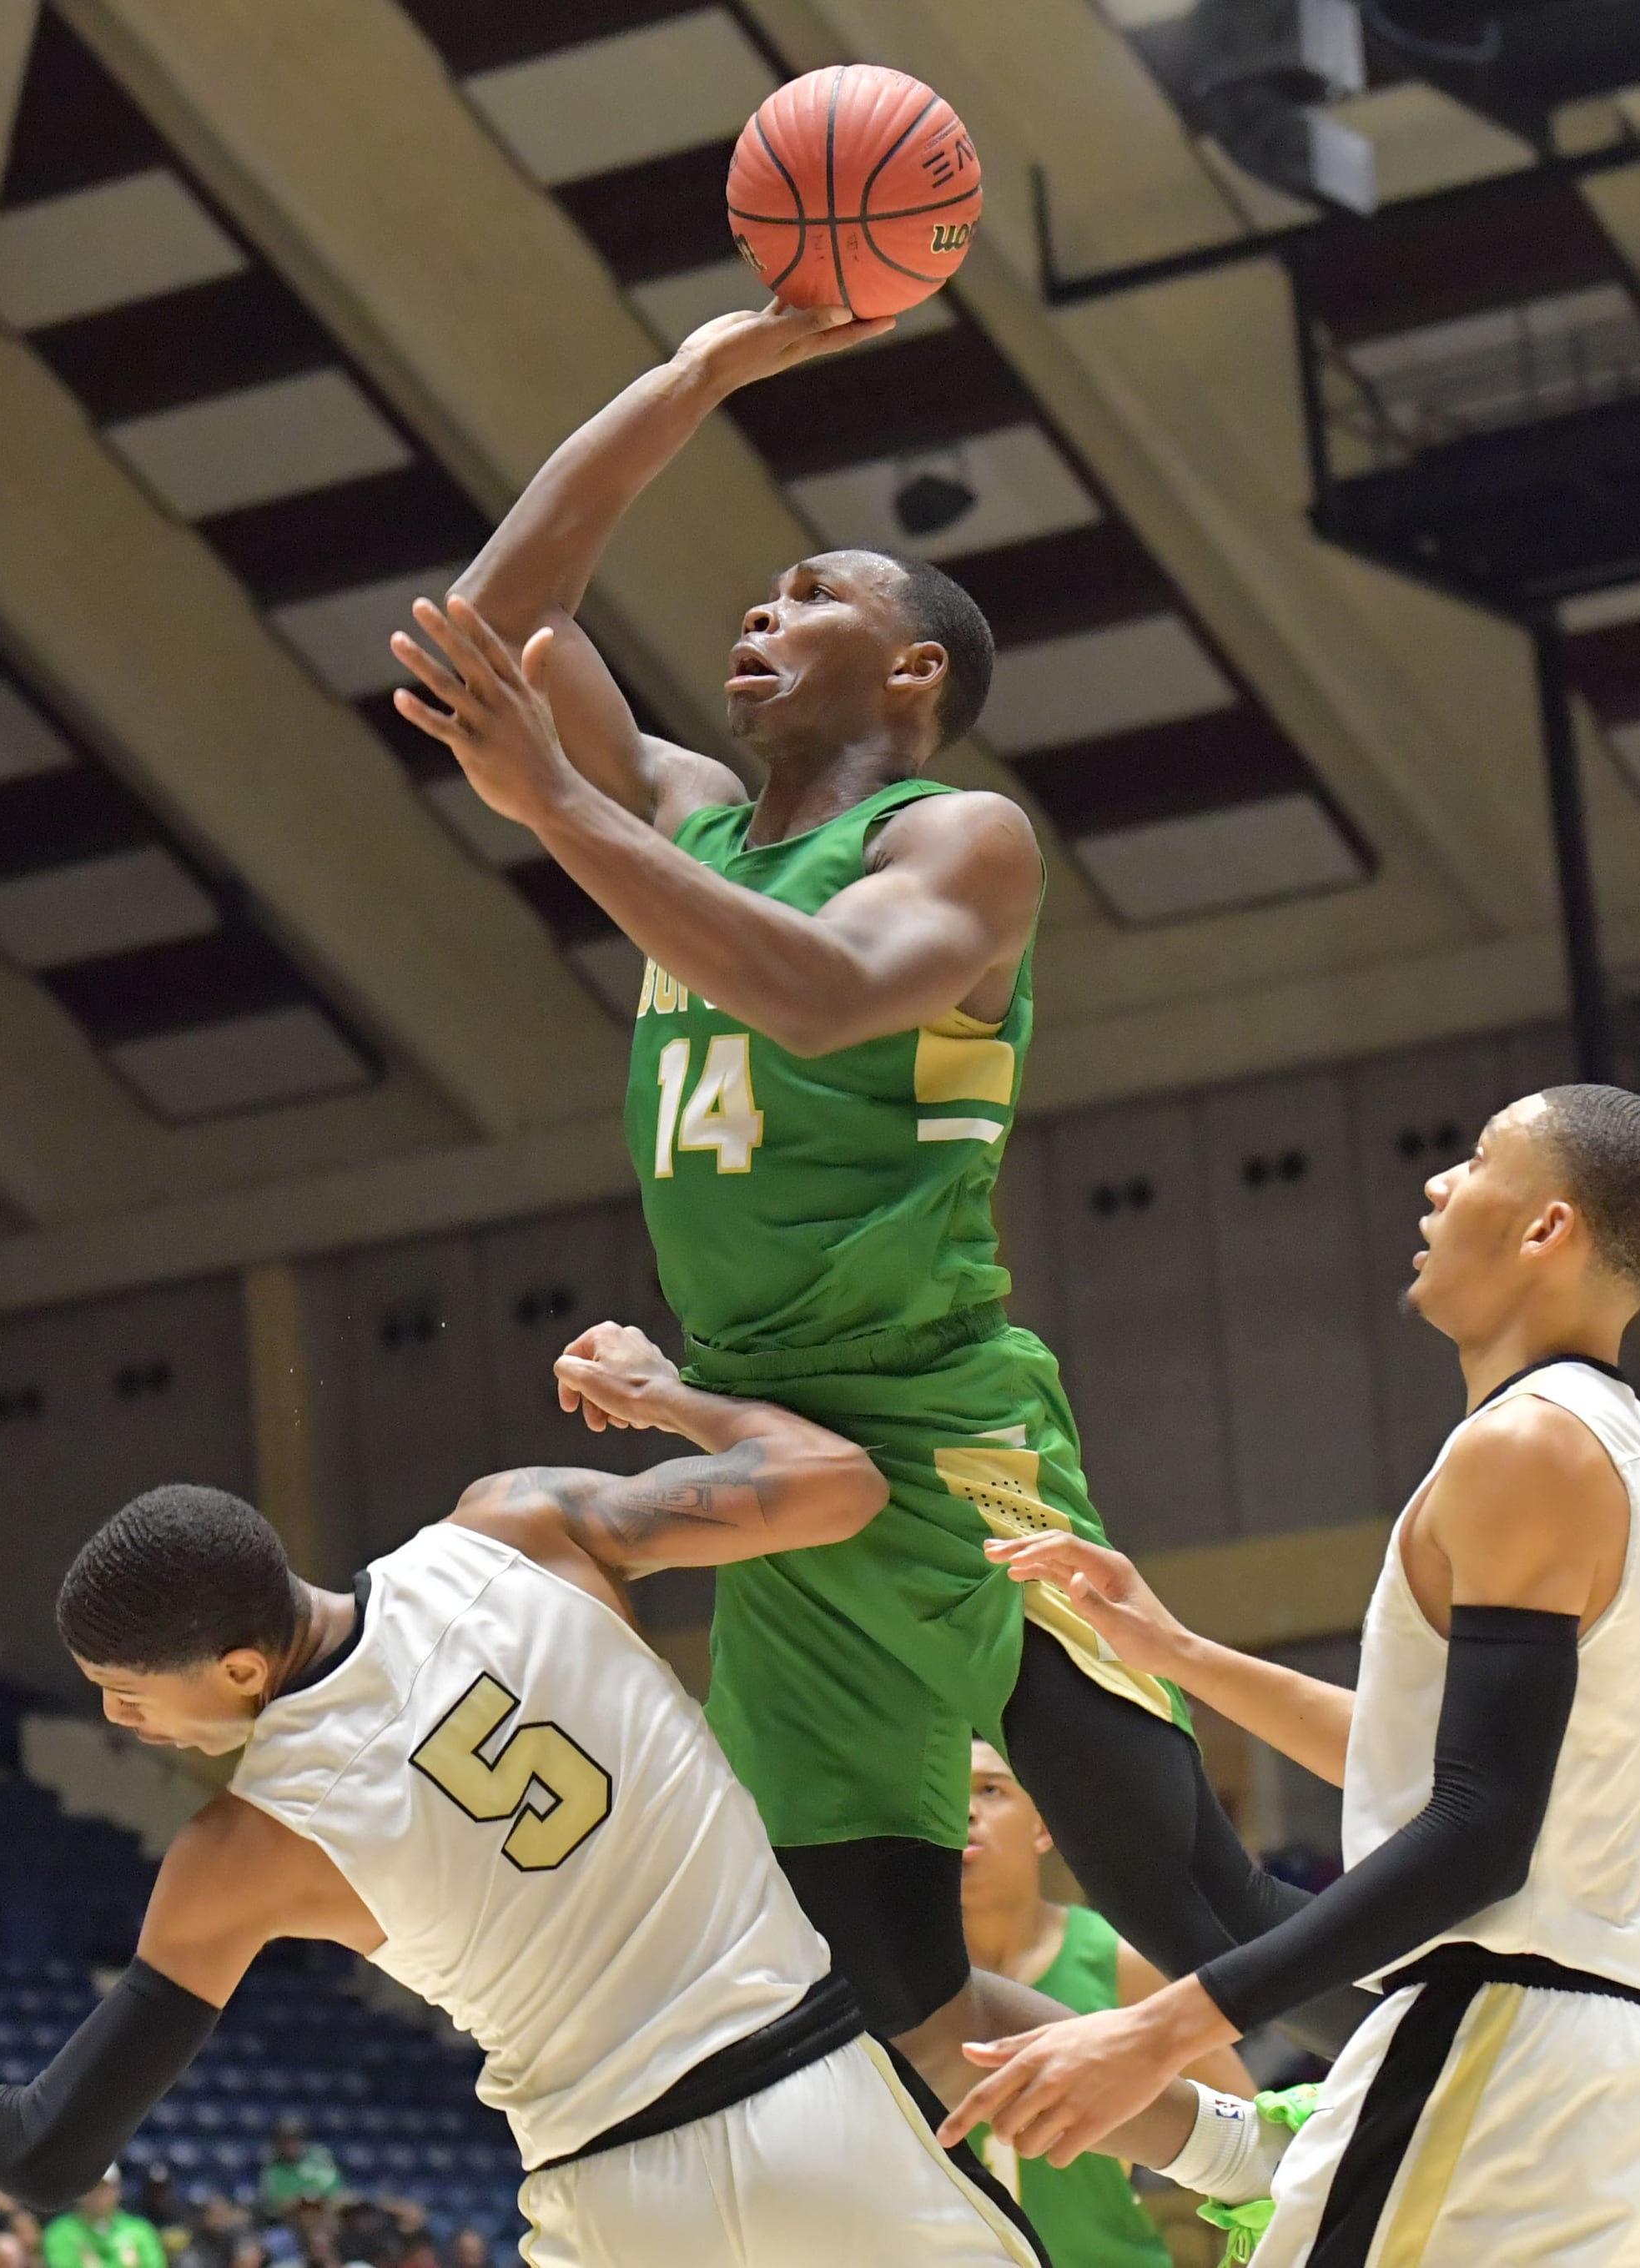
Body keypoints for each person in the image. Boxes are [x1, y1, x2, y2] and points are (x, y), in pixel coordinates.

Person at [398, 302, 1340, 2075]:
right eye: (753, 597)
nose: (762, 616)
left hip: (946, 1437)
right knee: (881, 1993)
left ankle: (1490, 2113)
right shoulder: (683, 818)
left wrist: (554, 808)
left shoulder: (957, 838)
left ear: (915, 673)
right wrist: (695, 379)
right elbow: (492, 630)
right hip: (768, 1450)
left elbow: (821, 994)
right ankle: (1223, 2177)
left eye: (814, 596)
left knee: (1188, 1906)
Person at [0, 1322, 1235, 2265]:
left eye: (134, 1692)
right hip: (817, 2114)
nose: (119, 1719)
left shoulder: (240, 1848)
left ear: (245, 1665)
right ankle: (1267, 2156)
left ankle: (1262, 2153)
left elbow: (54, 2146)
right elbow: (836, 1480)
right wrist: (664, 1393)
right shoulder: (518, 1529)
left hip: (609, 2201)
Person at [943, 1088, 1640, 2268]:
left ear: (1547, 1229)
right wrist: (1182, 1654)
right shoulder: (1622, 1443)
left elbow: (1478, 1832)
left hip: (1499, 2042)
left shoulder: (1525, 1444)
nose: (1440, 1182)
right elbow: (1452, 1764)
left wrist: (1162, 2026)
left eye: (1476, 1156)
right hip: (1597, 2060)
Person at [956, 1742, 1252, 2268]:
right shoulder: (895, 1985)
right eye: (944, 1794)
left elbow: (1253, 2130)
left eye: (990, 1789)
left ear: (1043, 1827)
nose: (966, 1810)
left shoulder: (1121, 1963)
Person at [37, 2175, 160, 2268]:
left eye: (105, 2187)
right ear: (79, 2192)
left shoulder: (140, 2230)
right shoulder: (59, 2232)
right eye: (92, 2188)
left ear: (117, 2190)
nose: (98, 2195)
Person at [254, 2120, 336, 2220]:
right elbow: (272, 2207)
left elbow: (338, 2195)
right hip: (287, 2224)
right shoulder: (272, 2168)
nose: (291, 2144)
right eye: (285, 2140)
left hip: (323, 2219)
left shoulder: (319, 2161)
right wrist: (300, 2201)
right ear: (276, 2143)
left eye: (296, 2139)